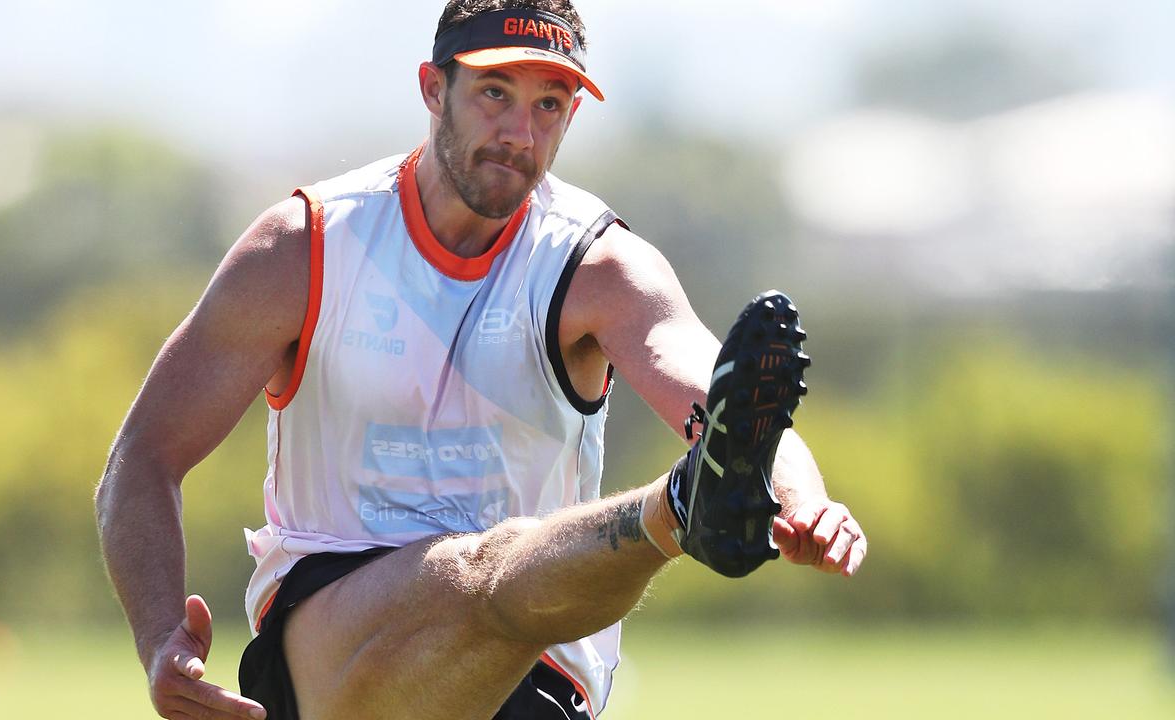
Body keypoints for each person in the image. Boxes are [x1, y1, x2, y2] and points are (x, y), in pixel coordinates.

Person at [94, 2, 867, 719]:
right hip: (333, 645)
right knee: (470, 572)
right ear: (434, 89)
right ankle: (675, 510)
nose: (520, 136)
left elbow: (728, 401)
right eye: (495, 93)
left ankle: (689, 503)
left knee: (493, 575)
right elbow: (141, 459)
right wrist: (161, 638)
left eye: (549, 106)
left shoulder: (598, 266)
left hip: (535, 670)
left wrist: (804, 500)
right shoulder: (303, 248)